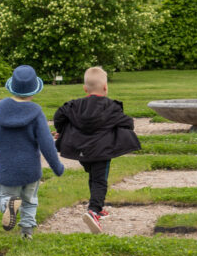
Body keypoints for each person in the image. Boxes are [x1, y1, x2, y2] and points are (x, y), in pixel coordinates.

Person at [53, 66, 141, 234]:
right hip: (102, 151)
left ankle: (97, 207)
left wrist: (61, 130)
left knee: (94, 177)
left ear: (85, 88)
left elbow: (59, 115)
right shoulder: (111, 107)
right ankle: (94, 210)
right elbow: (128, 123)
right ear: (106, 87)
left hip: (81, 152)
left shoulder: (74, 105)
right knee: (100, 180)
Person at [0, 65, 65, 240]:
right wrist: (57, 167)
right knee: (29, 201)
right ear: (34, 90)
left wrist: (0, 146)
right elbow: (47, 144)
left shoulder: (1, 107)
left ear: (12, 86)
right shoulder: (36, 112)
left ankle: (8, 206)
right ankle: (27, 233)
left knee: (5, 196)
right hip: (30, 169)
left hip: (7, 167)